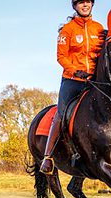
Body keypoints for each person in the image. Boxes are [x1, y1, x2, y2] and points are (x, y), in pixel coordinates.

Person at [40, 0, 105, 174]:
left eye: (88, 2)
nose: (85, 5)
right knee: (61, 114)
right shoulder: (67, 29)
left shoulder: (99, 29)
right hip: (72, 80)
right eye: (81, 2)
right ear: (75, 6)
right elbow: (61, 57)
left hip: (94, 80)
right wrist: (75, 71)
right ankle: (47, 157)